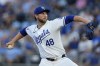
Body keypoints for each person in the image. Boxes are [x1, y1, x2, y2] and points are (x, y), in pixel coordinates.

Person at [6, 6, 97, 66]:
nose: (45, 15)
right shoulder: (32, 29)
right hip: (45, 62)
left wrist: (87, 22)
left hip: (61, 60)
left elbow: (71, 17)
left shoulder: (53, 23)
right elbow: (23, 31)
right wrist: (12, 41)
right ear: (36, 16)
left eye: (46, 13)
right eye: (42, 13)